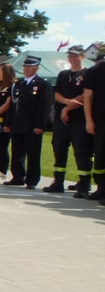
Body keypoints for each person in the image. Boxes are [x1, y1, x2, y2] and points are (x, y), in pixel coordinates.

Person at [45, 45, 91, 194]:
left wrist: (68, 108)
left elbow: (86, 95)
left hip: (79, 119)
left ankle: (84, 184)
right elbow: (56, 94)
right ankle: (58, 181)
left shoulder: (87, 73)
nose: (72, 59)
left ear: (82, 57)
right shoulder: (63, 74)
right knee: (59, 150)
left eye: (75, 56)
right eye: (70, 56)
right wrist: (65, 102)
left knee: (81, 152)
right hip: (61, 121)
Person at [4, 55, 53, 188]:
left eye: (29, 66)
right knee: (17, 152)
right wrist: (8, 123)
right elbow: (13, 105)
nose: (26, 69)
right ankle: (18, 176)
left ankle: (32, 180)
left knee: (33, 154)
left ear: (36, 68)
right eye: (25, 66)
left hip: (32, 125)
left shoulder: (43, 84)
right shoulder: (18, 84)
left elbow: (45, 107)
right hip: (18, 123)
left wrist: (40, 125)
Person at [82, 50, 105, 201]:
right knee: (101, 156)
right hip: (101, 120)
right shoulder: (95, 71)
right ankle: (101, 187)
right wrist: (89, 120)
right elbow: (87, 97)